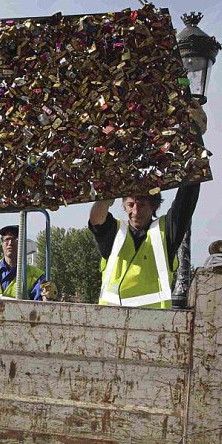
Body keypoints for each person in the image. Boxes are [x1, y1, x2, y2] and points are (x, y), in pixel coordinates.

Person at [88, 102, 207, 309]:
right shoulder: (115, 232)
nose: (135, 211)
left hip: (152, 328)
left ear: (154, 206)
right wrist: (109, 188)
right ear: (124, 206)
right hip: (108, 324)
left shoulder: (166, 233)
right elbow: (96, 219)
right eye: (131, 204)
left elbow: (187, 196)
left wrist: (194, 138)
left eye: (141, 204)